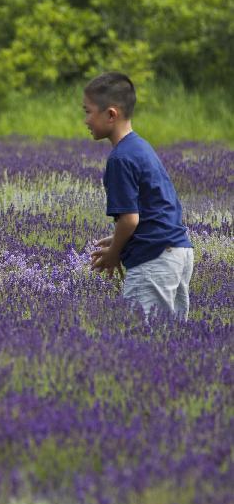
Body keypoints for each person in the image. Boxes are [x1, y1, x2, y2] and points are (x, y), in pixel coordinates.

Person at [85, 72, 193, 320]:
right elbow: (155, 210)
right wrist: (117, 238)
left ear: (111, 114)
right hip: (178, 251)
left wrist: (114, 253)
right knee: (170, 337)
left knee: (144, 336)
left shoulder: (120, 158)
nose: (86, 120)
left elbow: (130, 219)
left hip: (153, 259)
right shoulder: (141, 147)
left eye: (88, 111)